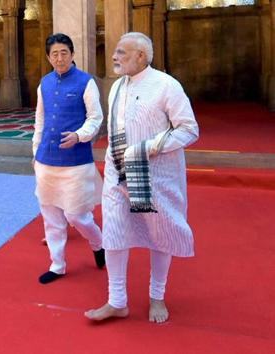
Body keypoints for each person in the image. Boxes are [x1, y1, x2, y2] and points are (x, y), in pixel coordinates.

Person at [84, 32, 199, 323]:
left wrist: (147, 148)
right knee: (114, 231)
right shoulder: (116, 88)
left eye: (121, 52)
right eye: (115, 52)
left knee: (158, 233)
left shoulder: (166, 85)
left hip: (151, 173)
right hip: (118, 171)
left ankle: (156, 296)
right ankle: (117, 301)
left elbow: (188, 129)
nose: (114, 57)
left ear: (141, 56)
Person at [32, 33, 105, 284]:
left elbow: (95, 118)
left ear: (72, 54)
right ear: (48, 57)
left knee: (76, 216)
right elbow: (39, 120)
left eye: (64, 53)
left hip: (75, 161)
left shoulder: (86, 82)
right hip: (46, 160)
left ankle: (98, 242)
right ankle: (57, 264)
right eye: (54, 54)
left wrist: (80, 135)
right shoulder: (44, 83)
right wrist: (35, 153)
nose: (59, 58)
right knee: (51, 216)